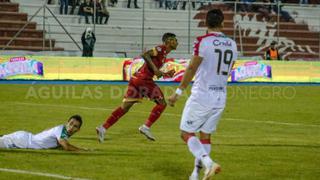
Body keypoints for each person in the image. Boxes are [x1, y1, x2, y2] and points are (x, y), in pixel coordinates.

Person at [168, 9, 237, 180]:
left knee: (185, 133)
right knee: (205, 135)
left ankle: (208, 163)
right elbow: (229, 68)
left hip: (202, 95)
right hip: (220, 95)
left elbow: (192, 67)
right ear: (223, 23)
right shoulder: (233, 44)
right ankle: (196, 174)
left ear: (206, 23)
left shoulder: (202, 42)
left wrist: (178, 92)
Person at [96, 33, 178, 143]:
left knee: (125, 107)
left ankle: (103, 128)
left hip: (136, 79)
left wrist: (165, 73)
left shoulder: (163, 55)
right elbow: (145, 55)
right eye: (175, 40)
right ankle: (146, 127)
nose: (177, 42)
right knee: (162, 103)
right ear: (168, 41)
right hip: (143, 80)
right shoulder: (160, 48)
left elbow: (151, 69)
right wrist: (156, 70)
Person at [0, 115, 87, 151]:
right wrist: (82, 150)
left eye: (75, 126)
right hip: (22, 141)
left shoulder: (60, 129)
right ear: (66, 123)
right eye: (70, 124)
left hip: (24, 138)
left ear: (78, 130)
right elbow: (66, 146)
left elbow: (46, 130)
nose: (71, 127)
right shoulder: (62, 130)